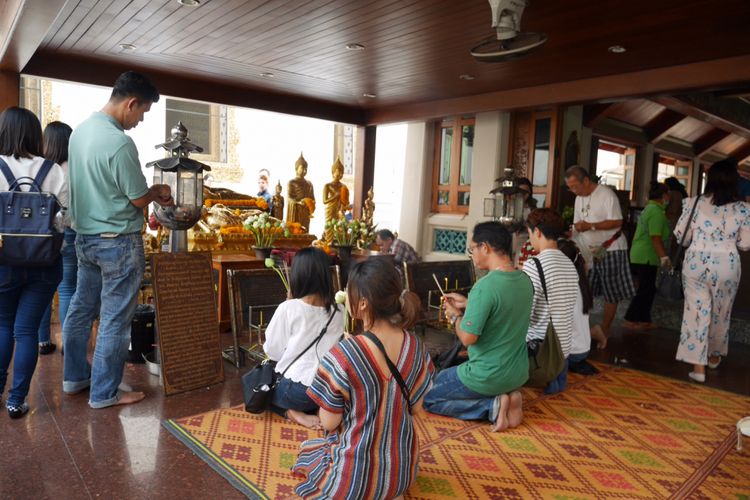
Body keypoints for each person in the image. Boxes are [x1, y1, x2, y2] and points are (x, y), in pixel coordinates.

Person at [63, 71, 174, 408]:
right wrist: (158, 190)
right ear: (131, 103)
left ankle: (75, 377)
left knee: (82, 310)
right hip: (118, 243)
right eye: (142, 113)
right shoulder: (119, 142)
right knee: (114, 318)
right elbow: (139, 198)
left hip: (85, 239)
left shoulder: (80, 132)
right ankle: (104, 393)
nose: (140, 120)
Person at [292, 258, 433, 498]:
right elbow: (418, 408)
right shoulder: (416, 346)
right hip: (401, 473)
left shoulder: (343, 355)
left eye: (350, 291)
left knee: (313, 452)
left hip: (352, 480)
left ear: (364, 303)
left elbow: (328, 423)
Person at [423, 222, 532, 431]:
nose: (472, 254)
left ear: (485, 247)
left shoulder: (486, 286)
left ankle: (491, 406)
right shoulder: (523, 280)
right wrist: (469, 303)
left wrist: (456, 317)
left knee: (426, 396)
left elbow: (467, 338)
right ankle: (510, 397)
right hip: (517, 372)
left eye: (472, 249)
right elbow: (503, 309)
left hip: (487, 374)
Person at [0, 107, 67, 418]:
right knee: (26, 331)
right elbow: (65, 220)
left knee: (2, 326)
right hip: (44, 263)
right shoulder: (53, 170)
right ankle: (16, 400)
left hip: (3, 262)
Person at [674, 160, 750, 383]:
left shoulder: (693, 203)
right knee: (721, 311)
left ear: (710, 180)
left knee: (695, 313)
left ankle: (698, 369)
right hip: (727, 263)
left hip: (696, 262)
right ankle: (714, 356)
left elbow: (682, 236)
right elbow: (745, 244)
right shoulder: (744, 208)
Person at [262, 247, 344, 429]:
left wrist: (288, 302)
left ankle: (292, 412)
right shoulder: (339, 310)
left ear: (298, 275)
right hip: (328, 390)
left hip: (297, 392)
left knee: (259, 389)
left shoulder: (288, 308)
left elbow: (272, 352)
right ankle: (318, 409)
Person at [565, 165, 635, 340]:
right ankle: (582, 329)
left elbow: (618, 221)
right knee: (584, 288)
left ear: (586, 180)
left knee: (611, 292)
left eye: (575, 186)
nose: (573, 191)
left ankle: (604, 329)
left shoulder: (606, 195)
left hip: (610, 248)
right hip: (588, 250)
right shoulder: (578, 198)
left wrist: (591, 226)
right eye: (570, 187)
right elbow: (577, 225)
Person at [522, 209, 579, 394]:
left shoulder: (534, 264)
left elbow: (527, 314)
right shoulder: (569, 263)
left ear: (537, 232)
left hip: (541, 352)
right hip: (563, 351)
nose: (530, 239)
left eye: (529, 233)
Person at [36, 121, 74, 355]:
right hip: (70, 232)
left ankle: (43, 341)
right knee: (68, 287)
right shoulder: (74, 169)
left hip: (42, 235)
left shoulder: (42, 168)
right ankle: (68, 344)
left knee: (43, 290)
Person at [622, 182, 672, 330]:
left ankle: (644, 320)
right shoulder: (656, 212)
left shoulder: (649, 209)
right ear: (663, 196)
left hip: (641, 254)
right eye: (668, 194)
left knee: (648, 289)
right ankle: (630, 319)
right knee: (645, 289)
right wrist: (664, 257)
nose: (669, 197)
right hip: (646, 256)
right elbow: (655, 238)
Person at [557, 239, 605, 374]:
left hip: (569, 353)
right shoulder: (580, 282)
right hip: (581, 350)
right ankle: (592, 333)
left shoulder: (563, 286)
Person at [322, 158, 349, 242]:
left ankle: (336, 244)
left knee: (339, 228)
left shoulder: (343, 187)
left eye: (342, 172)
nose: (340, 174)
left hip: (339, 210)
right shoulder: (327, 185)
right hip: (330, 210)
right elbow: (324, 201)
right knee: (329, 227)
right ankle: (328, 243)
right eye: (338, 171)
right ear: (333, 172)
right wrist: (335, 196)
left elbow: (346, 202)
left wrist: (345, 205)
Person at [286, 153, 315, 231]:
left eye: (306, 168)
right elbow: (289, 198)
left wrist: (311, 204)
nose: (304, 170)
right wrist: (299, 202)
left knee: (305, 230)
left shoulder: (309, 184)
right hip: (296, 211)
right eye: (302, 168)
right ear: (296, 169)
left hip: (305, 211)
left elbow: (312, 198)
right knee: (296, 230)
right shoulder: (292, 182)